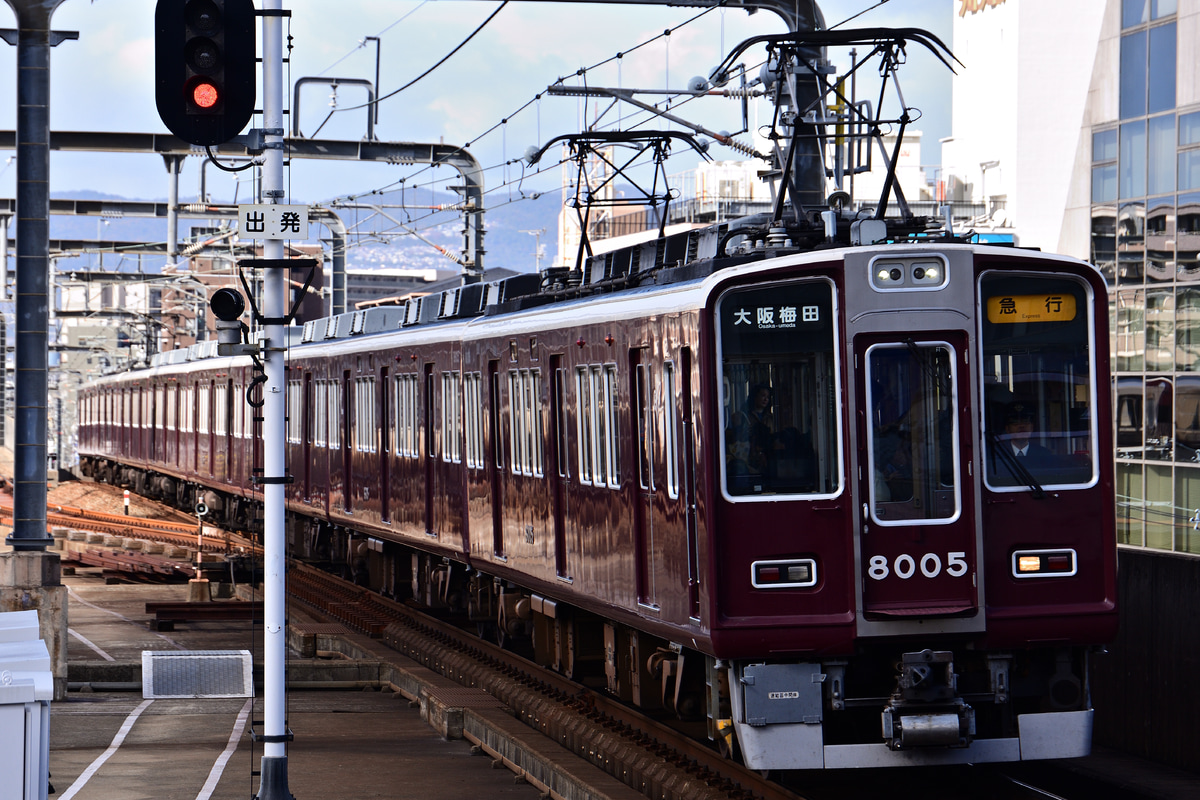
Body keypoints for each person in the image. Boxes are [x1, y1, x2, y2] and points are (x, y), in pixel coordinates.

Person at [992, 403, 1057, 480]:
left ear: (1032, 427)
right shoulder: (997, 454)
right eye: (1015, 423)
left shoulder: (1045, 454)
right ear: (1007, 429)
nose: (1021, 426)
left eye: (1026, 422)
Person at [726, 384, 776, 478]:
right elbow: (729, 436)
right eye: (763, 396)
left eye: (768, 397)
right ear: (755, 396)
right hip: (745, 458)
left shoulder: (770, 418)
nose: (765, 399)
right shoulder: (740, 416)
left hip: (763, 458)